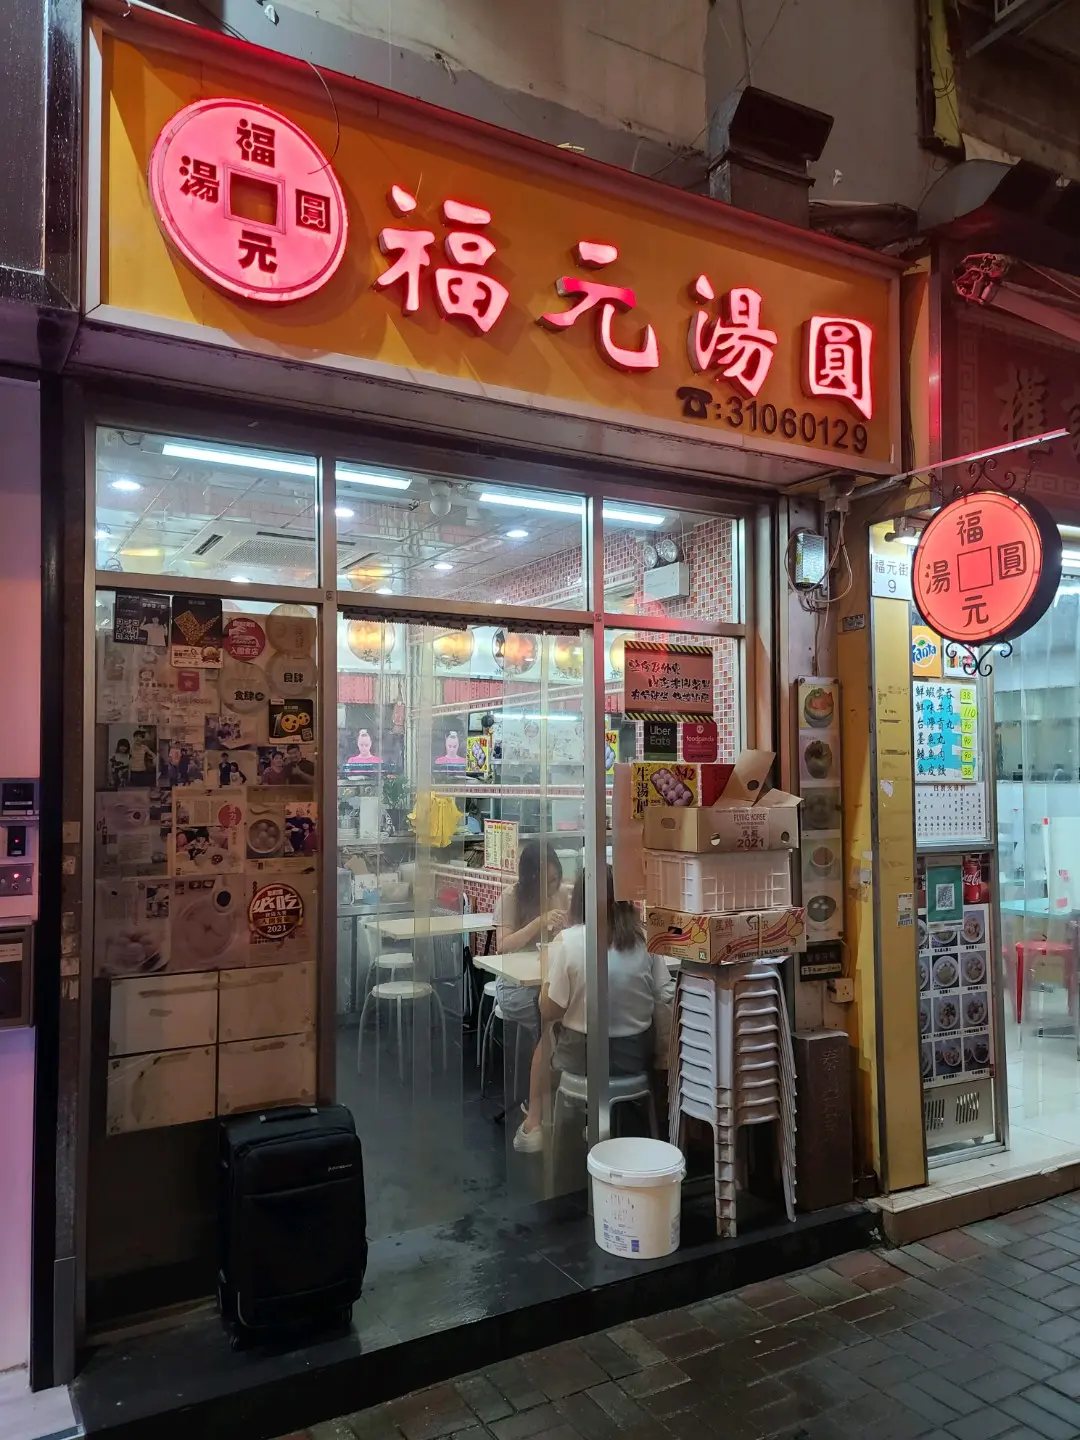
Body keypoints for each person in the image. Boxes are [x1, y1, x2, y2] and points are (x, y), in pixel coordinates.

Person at [513, 866, 673, 1154]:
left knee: (548, 1032)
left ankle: (534, 1123)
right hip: (635, 1057)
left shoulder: (568, 941)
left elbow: (549, 1010)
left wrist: (547, 977)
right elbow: (664, 993)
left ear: (578, 899)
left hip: (581, 1060)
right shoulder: (645, 939)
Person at [493, 841, 567, 1038]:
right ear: (530, 880)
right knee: (550, 1016)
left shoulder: (560, 893)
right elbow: (502, 946)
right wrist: (539, 922)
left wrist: (564, 929)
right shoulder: (511, 897)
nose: (552, 887)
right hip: (515, 985)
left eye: (555, 879)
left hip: (550, 979)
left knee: (571, 1008)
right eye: (545, 882)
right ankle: (545, 1053)